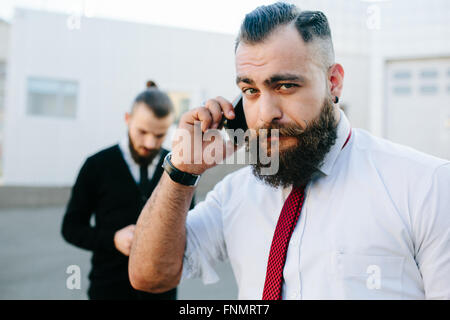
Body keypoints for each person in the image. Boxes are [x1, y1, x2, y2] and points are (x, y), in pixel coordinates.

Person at [129, 3, 450, 300]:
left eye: (285, 86)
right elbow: (150, 276)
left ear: (334, 82)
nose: (265, 113)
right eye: (250, 90)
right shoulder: (234, 195)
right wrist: (181, 172)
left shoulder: (426, 186)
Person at [61, 81, 195, 300]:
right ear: (127, 119)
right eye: (142, 132)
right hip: (108, 290)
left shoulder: (179, 165)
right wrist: (112, 239)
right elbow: (71, 228)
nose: (150, 143)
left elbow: (190, 222)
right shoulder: (96, 165)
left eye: (159, 135)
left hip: (161, 292)